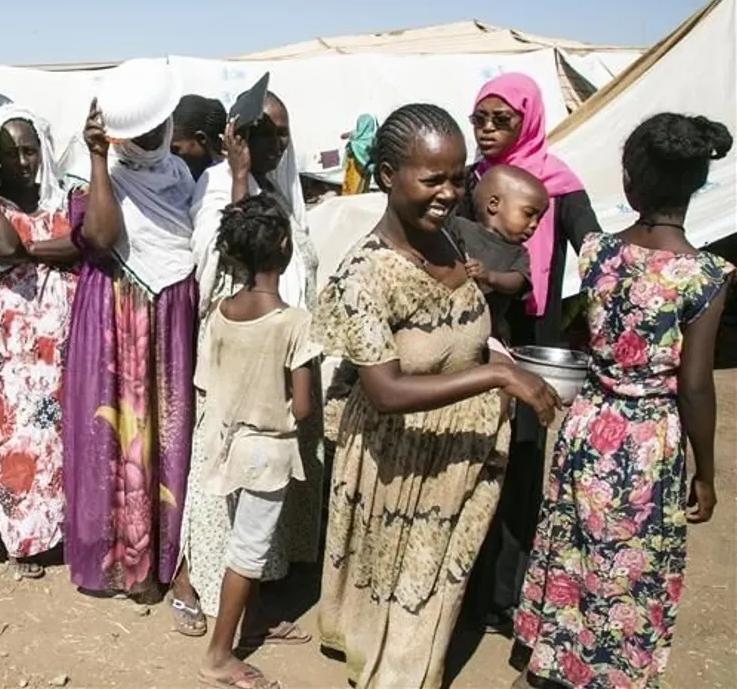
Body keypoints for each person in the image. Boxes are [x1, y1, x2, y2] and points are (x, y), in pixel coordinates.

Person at [312, 103, 560, 689]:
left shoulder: (449, 241)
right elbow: (388, 390)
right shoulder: (365, 276)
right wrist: (499, 379)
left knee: (434, 590)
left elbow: (464, 335)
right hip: (396, 463)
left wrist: (499, 358)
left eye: (458, 176)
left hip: (458, 458)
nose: (450, 192)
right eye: (432, 179)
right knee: (405, 603)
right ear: (387, 176)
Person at [511, 114, 733, 689]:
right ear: (697, 186)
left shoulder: (600, 254)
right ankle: (616, 671)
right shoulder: (705, 276)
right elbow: (696, 384)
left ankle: (559, 657)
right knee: (633, 561)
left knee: (576, 544)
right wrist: (705, 473)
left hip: (589, 426)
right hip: (648, 441)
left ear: (630, 181)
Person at [176, 88, 321, 640]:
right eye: (265, 132)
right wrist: (237, 179)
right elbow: (217, 268)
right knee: (219, 481)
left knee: (258, 499)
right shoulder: (219, 187)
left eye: (283, 133)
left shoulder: (280, 190)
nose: (278, 144)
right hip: (239, 362)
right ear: (238, 135)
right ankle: (193, 581)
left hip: (279, 358)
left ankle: (251, 601)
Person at [462, 72, 599, 638]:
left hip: (531, 350)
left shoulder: (558, 188)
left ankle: (503, 599)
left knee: (518, 469)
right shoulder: (471, 182)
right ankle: (463, 591)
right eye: (480, 120)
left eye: (502, 121)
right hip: (472, 345)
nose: (488, 131)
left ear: (529, 120)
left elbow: (595, 254)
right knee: (469, 462)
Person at [63, 82, 198, 599]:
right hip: (122, 315)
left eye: (158, 125)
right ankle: (131, 563)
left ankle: (169, 555)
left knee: (170, 433)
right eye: (139, 130)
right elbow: (98, 239)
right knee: (126, 434)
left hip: (173, 311)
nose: (153, 135)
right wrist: (99, 158)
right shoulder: (100, 179)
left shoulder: (180, 172)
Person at [194, 194, 321, 689]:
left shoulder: (221, 312)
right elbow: (304, 406)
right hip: (267, 453)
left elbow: (209, 382)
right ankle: (219, 655)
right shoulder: (293, 322)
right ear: (285, 246)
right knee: (249, 551)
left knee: (247, 542)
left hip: (226, 446)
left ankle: (257, 615)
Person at [0, 106, 79, 579]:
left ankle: (63, 531)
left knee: (60, 439)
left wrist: (36, 251)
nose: (21, 162)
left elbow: (83, 244)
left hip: (62, 341)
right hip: (12, 353)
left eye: (28, 150)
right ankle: (24, 539)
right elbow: (4, 246)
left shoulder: (62, 200)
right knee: (18, 442)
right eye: (7, 154)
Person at [447, 164, 548, 345]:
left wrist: (490, 277)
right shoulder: (459, 227)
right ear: (494, 204)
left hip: (488, 333)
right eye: (528, 214)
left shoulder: (518, 253)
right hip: (445, 323)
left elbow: (518, 281)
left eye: (538, 219)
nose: (534, 224)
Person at [171, 95, 227, 181]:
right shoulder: (188, 176)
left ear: (201, 139)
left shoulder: (226, 179)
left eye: (175, 149)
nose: (170, 157)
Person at [341, 113, 378, 195]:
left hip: (354, 171)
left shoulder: (355, 142)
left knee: (352, 189)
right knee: (363, 188)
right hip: (366, 169)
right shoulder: (373, 138)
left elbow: (343, 136)